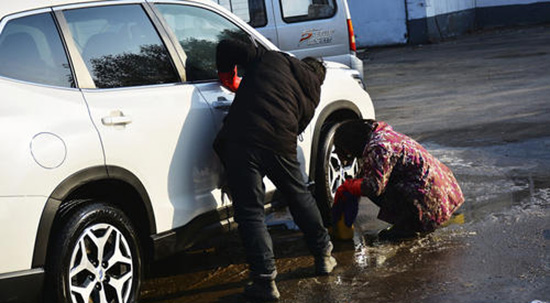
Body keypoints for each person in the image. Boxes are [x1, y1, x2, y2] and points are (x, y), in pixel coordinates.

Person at [213, 38, 336, 302]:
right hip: (279, 143)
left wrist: (227, 78)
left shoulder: (273, 58)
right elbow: (296, 129)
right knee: (299, 195)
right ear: (319, 80)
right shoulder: (312, 97)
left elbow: (227, 46)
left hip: (242, 138)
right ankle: (324, 255)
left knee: (250, 212)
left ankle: (265, 281)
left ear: (302, 64)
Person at [332, 119, 464, 241]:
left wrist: (348, 189)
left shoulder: (379, 148)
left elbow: (374, 187)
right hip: (445, 192)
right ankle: (426, 219)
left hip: (430, 198)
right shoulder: (383, 134)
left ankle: (411, 226)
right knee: (362, 182)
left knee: (366, 186)